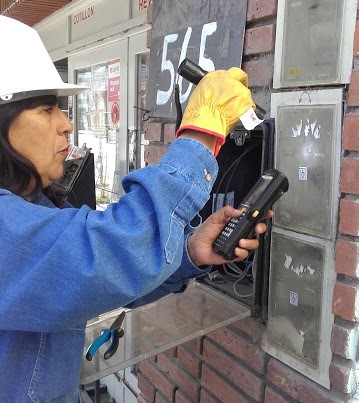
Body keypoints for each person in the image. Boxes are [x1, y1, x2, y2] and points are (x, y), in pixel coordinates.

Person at [0, 16, 272, 403]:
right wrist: (202, 133)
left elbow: (98, 281)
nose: (66, 124)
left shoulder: (30, 207)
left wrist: (189, 252)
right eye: (46, 110)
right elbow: (105, 254)